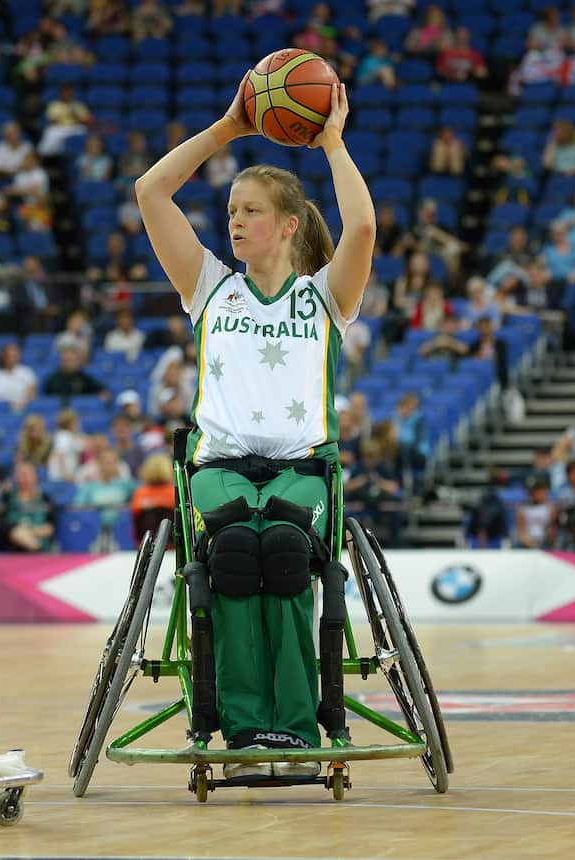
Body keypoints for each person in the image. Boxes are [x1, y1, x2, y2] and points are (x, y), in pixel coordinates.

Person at [134, 75, 373, 778]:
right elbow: (151, 192)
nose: (234, 222)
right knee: (237, 552)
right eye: (231, 210)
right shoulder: (210, 286)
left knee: (287, 556)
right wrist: (226, 129)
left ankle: (295, 730)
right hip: (220, 469)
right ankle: (243, 731)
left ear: (289, 225)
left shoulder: (325, 296)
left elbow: (361, 227)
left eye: (250, 211)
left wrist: (331, 140)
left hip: (305, 470)